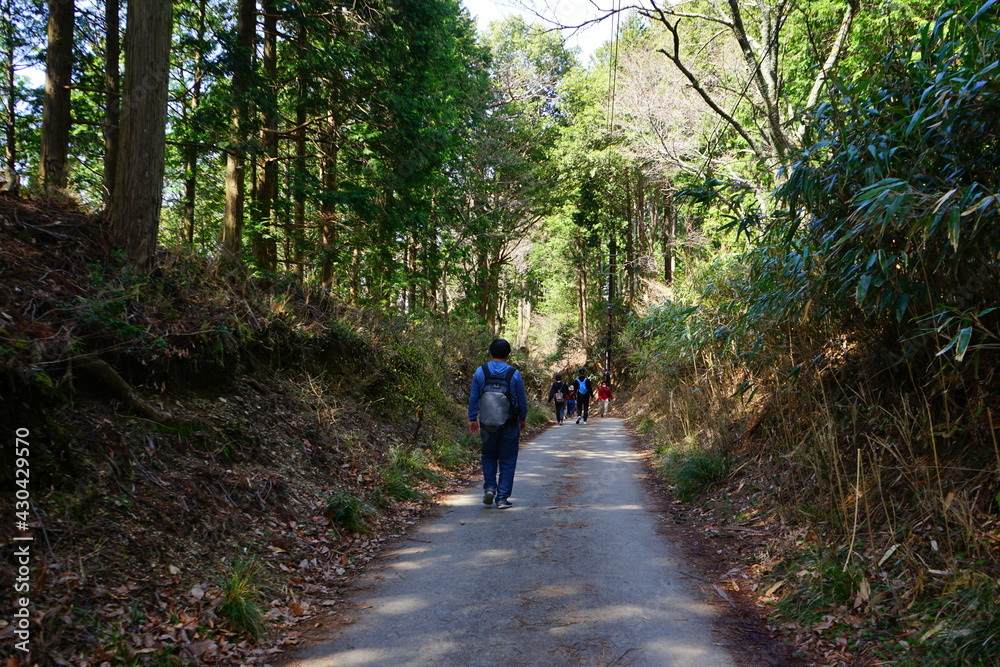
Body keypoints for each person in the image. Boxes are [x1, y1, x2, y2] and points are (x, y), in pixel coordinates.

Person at [468, 338, 527, 510]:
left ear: (490, 352)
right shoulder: (514, 374)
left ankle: (489, 488)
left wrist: (473, 418)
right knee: (508, 460)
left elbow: (474, 397)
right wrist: (522, 418)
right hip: (509, 423)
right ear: (508, 354)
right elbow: (521, 399)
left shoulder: (481, 371)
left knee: (488, 456)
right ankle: (502, 498)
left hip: (487, 423)